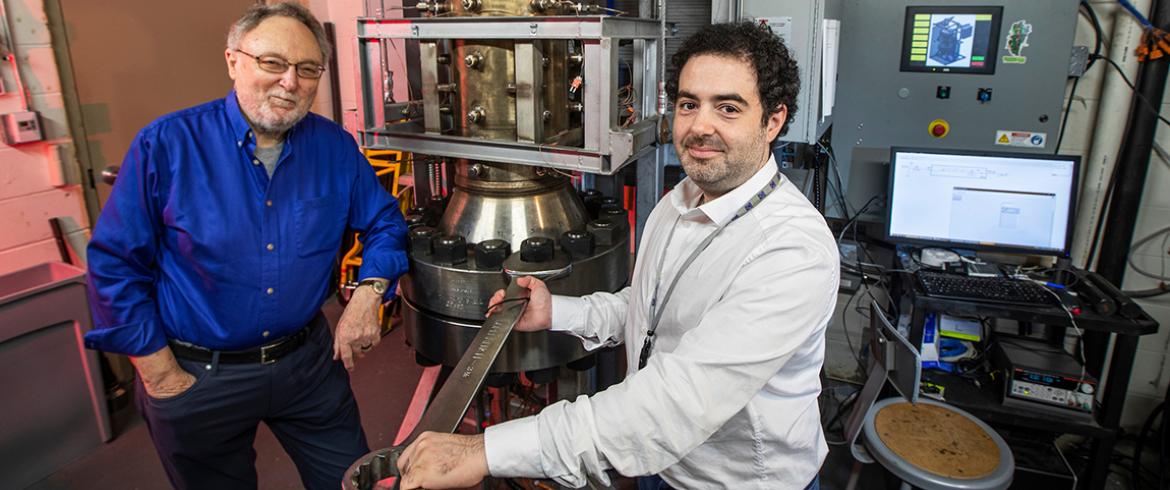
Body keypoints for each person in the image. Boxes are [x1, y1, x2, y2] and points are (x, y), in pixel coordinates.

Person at [395, 22, 838, 490]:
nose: (700, 126)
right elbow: (652, 312)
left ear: (773, 121)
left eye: (728, 108)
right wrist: (559, 311)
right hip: (660, 465)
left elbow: (674, 405)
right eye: (689, 104)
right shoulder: (680, 202)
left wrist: (487, 449)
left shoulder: (791, 251)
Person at [83, 3, 408, 489]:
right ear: (234, 61)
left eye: (307, 69)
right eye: (272, 63)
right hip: (197, 374)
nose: (290, 82)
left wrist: (368, 294)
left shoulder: (334, 147)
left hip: (308, 366)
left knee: (352, 480)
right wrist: (159, 374)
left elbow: (385, 221)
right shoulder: (166, 145)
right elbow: (114, 267)